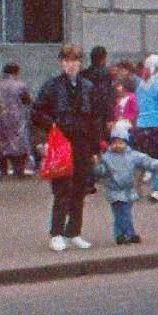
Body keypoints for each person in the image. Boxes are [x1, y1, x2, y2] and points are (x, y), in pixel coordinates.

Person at [32, 45, 110, 249]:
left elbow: (95, 119)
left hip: (82, 142)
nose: (71, 65)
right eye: (67, 61)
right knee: (62, 187)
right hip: (61, 140)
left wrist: (95, 148)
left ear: (80, 63)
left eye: (75, 61)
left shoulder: (87, 86)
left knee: (80, 187)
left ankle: (74, 231)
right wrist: (52, 124)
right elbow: (36, 112)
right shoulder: (52, 85)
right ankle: (56, 232)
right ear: (61, 63)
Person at [95, 130, 158, 245]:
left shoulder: (132, 155)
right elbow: (101, 172)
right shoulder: (107, 158)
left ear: (126, 143)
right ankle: (130, 234)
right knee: (123, 213)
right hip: (114, 190)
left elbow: (146, 161)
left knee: (121, 214)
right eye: (114, 142)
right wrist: (96, 166)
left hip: (128, 190)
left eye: (121, 142)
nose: (117, 145)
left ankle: (119, 235)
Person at [0, 63, 35, 177]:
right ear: (16, 72)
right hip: (17, 117)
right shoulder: (21, 85)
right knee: (19, 144)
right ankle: (19, 171)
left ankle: (2, 171)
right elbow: (28, 100)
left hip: (0, 118)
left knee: (0, 144)